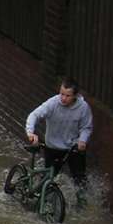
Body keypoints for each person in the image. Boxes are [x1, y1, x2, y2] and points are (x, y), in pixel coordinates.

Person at [25, 77, 94, 206]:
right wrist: (30, 132)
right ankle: (40, 201)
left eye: (67, 96)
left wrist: (82, 140)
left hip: (73, 148)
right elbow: (35, 115)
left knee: (79, 178)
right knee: (47, 178)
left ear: (75, 96)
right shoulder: (52, 104)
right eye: (61, 94)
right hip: (53, 148)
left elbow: (86, 127)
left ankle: (82, 204)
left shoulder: (83, 108)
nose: (63, 98)